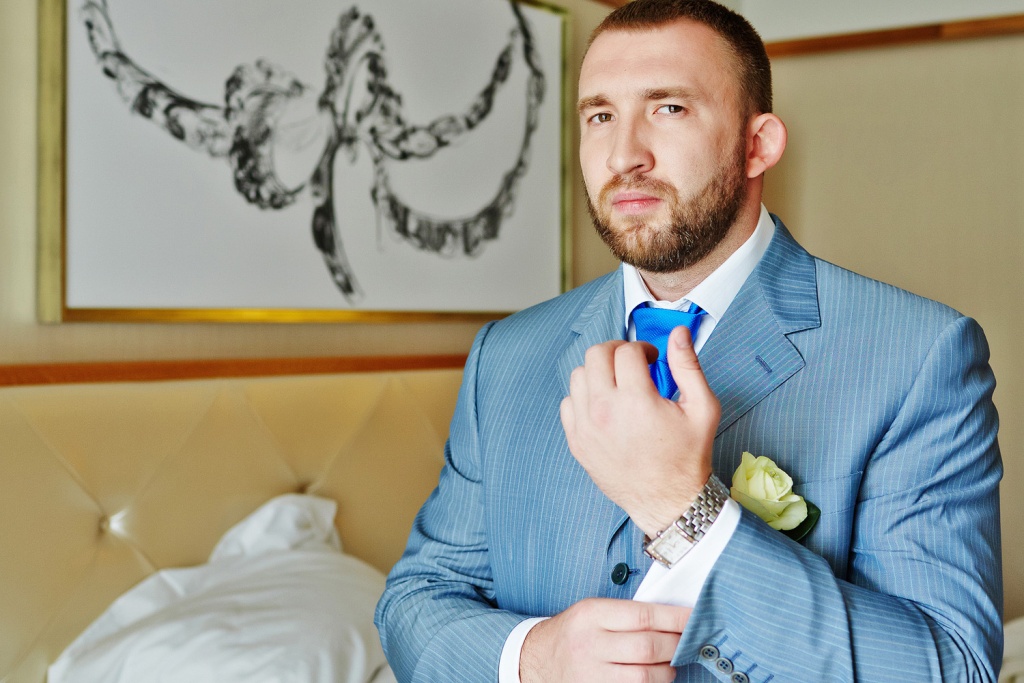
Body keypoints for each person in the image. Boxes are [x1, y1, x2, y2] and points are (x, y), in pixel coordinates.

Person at [375, 1, 1003, 681]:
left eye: (669, 108)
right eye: (600, 116)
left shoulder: (920, 355)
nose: (624, 155)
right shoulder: (504, 355)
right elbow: (415, 601)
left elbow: (952, 667)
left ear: (758, 144)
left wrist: (685, 510)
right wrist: (535, 655)